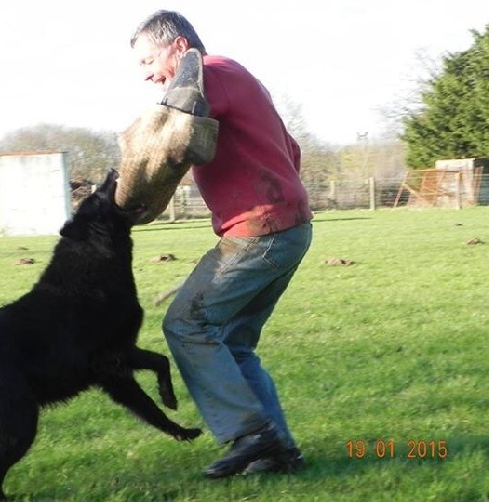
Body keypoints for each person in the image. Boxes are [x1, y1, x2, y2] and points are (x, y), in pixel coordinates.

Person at [128, 10, 314, 478]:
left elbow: (165, 137)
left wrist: (126, 200)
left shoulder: (208, 74)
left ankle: (251, 435)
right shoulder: (236, 75)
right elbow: (292, 150)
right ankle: (278, 453)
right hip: (287, 227)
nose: (149, 75)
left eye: (150, 60)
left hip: (260, 232)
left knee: (187, 324)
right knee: (232, 343)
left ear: (179, 48)